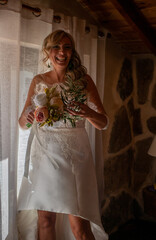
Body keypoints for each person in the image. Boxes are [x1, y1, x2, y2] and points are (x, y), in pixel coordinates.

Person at [17, 30, 109, 240]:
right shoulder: (38, 80)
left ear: (72, 52)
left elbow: (103, 123)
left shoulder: (83, 80)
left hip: (75, 155)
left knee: (79, 223)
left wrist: (88, 112)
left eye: (67, 47)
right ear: (47, 51)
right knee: (45, 220)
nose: (61, 52)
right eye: (56, 47)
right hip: (44, 155)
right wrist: (30, 117)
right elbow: (22, 123)